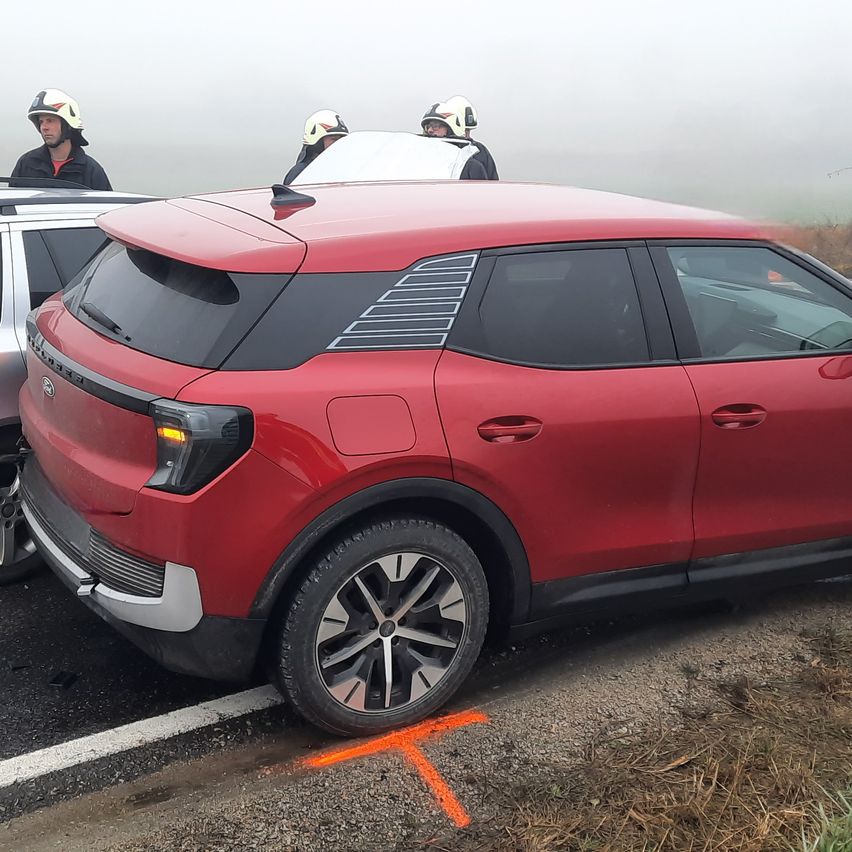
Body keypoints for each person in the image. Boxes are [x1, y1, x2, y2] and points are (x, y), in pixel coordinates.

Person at [11, 89, 111, 190]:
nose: (44, 127)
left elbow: (108, 205)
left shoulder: (91, 171)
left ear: (67, 125)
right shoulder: (26, 164)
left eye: (50, 120)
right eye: (41, 121)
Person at [420, 102, 488, 180]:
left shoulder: (469, 166)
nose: (430, 130)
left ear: (451, 129)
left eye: (435, 126)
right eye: (427, 127)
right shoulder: (420, 161)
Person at [283, 110, 349, 184]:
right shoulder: (300, 174)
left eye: (342, 139)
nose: (339, 143)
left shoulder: (346, 171)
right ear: (318, 142)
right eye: (334, 139)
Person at [445, 95, 498, 180]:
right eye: (464, 130)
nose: (466, 135)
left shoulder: (480, 151)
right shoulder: (440, 150)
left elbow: (493, 184)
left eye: (468, 130)